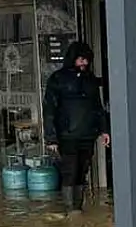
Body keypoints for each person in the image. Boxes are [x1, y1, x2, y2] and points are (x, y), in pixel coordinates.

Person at [43, 41, 110, 213]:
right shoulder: (57, 79)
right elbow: (49, 110)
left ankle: (77, 209)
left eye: (87, 59)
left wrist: (104, 130)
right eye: (81, 59)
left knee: (82, 173)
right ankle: (70, 209)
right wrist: (51, 138)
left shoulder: (90, 81)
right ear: (73, 59)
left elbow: (98, 107)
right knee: (70, 172)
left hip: (87, 135)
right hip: (67, 136)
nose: (84, 63)